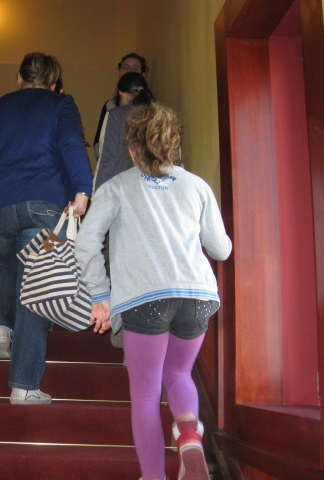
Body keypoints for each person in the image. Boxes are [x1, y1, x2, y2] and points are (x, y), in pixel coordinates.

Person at [75, 103, 232, 480]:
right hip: (197, 297)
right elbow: (221, 249)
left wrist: (100, 296)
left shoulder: (116, 188)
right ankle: (190, 437)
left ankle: (154, 476)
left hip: (144, 300)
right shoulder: (197, 186)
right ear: (173, 145)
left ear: (131, 150)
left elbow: (86, 243)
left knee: (145, 394)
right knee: (179, 373)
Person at [0, 52, 92, 405]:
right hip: (41, 206)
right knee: (36, 286)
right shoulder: (61, 104)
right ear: (54, 83)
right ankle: (23, 386)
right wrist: (82, 189)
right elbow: (70, 144)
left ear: (19, 78)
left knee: (4, 265)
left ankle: (0, 332)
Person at [93, 71, 155, 192]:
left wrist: (99, 193)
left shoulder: (116, 115)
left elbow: (108, 160)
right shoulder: (160, 115)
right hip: (154, 189)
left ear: (122, 94)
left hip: (125, 188)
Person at [93, 53, 148, 160]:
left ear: (143, 74)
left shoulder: (151, 108)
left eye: (134, 68)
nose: (129, 71)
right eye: (125, 67)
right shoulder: (110, 105)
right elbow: (99, 142)